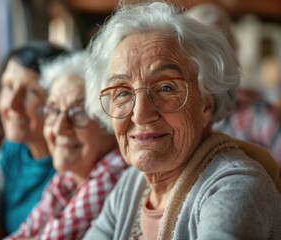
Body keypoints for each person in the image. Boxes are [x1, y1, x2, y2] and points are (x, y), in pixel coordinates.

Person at [83, 2, 281, 239]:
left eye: (166, 87)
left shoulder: (236, 187)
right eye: (123, 92)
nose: (140, 113)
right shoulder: (132, 184)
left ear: (207, 102)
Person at [5, 51, 128, 239]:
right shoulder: (67, 178)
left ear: (110, 123)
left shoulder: (115, 170)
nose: (60, 128)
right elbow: (23, 234)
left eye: (79, 112)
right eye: (53, 110)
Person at [0, 42, 67, 239]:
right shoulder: (13, 149)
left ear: (57, 103)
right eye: (8, 86)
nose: (11, 104)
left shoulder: (71, 161)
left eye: (31, 92)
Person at [186, 3, 281, 176]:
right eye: (199, 49)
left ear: (234, 53)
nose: (209, 63)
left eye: (218, 49)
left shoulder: (259, 116)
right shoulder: (176, 117)